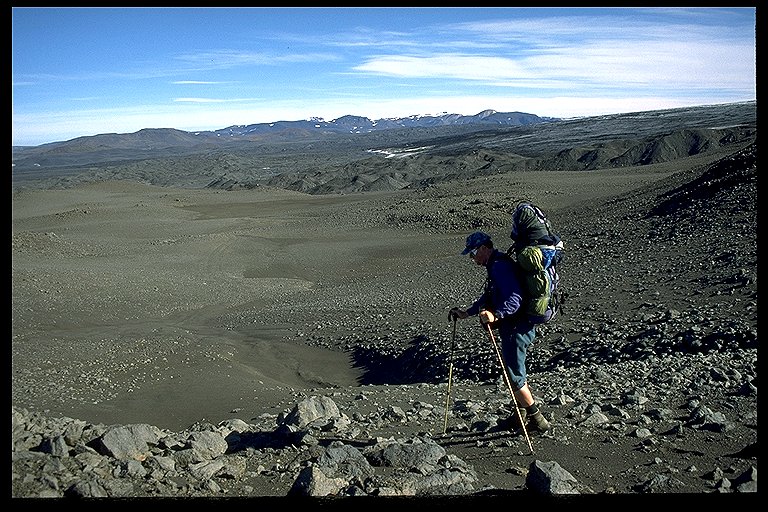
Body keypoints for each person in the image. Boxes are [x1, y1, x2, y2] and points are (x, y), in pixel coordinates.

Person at [448, 231, 551, 433]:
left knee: (514, 376)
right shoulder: (495, 265)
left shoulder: (500, 267)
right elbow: (488, 298)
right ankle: (519, 416)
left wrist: (497, 315)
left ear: (484, 249)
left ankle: (537, 419)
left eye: (473, 253)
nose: (472, 258)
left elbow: (515, 299)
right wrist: (466, 313)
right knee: (514, 372)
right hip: (513, 327)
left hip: (516, 328)